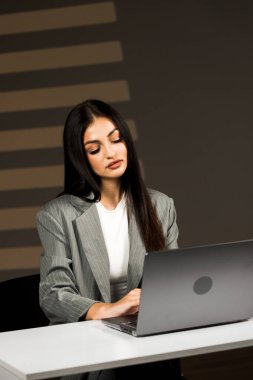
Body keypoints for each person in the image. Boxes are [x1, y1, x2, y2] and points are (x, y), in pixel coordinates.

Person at [36, 99, 182, 379]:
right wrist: (110, 309)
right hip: (89, 348)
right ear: (81, 157)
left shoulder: (160, 205)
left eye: (116, 140)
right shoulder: (57, 214)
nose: (111, 153)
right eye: (95, 148)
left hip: (147, 342)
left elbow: (174, 281)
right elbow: (53, 295)